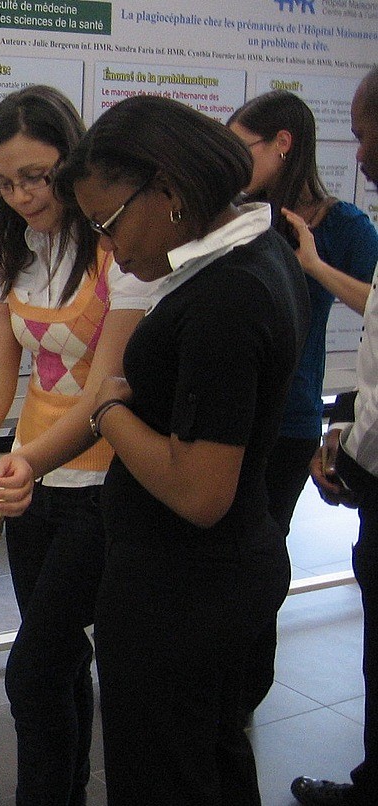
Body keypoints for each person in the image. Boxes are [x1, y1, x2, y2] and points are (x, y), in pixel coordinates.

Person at [53, 94, 309, 805]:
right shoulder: (257, 250)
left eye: (107, 223)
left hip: (183, 595)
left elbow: (199, 492)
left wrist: (107, 405)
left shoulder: (227, 297)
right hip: (216, 579)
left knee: (165, 777)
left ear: (165, 188)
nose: (109, 247)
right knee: (213, 762)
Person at [0, 85, 158, 805]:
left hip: (103, 484)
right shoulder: (15, 252)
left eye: (35, 175)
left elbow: (99, 398)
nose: (20, 195)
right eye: (2, 182)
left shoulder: (121, 250)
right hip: (33, 487)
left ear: (74, 159)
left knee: (31, 668)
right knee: (55, 658)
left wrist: (25, 461)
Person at [228, 90, 378, 718]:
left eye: (244, 147)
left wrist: (312, 263)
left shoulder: (345, 227)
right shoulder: (235, 214)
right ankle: (217, 681)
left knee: (263, 551)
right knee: (223, 553)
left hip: (289, 418)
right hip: (228, 412)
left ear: (282, 144)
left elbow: (371, 300)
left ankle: (244, 690)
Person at [291, 65, 378, 806]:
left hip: (310, 426)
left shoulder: (345, 229)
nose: (361, 151)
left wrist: (349, 447)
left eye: (365, 130)